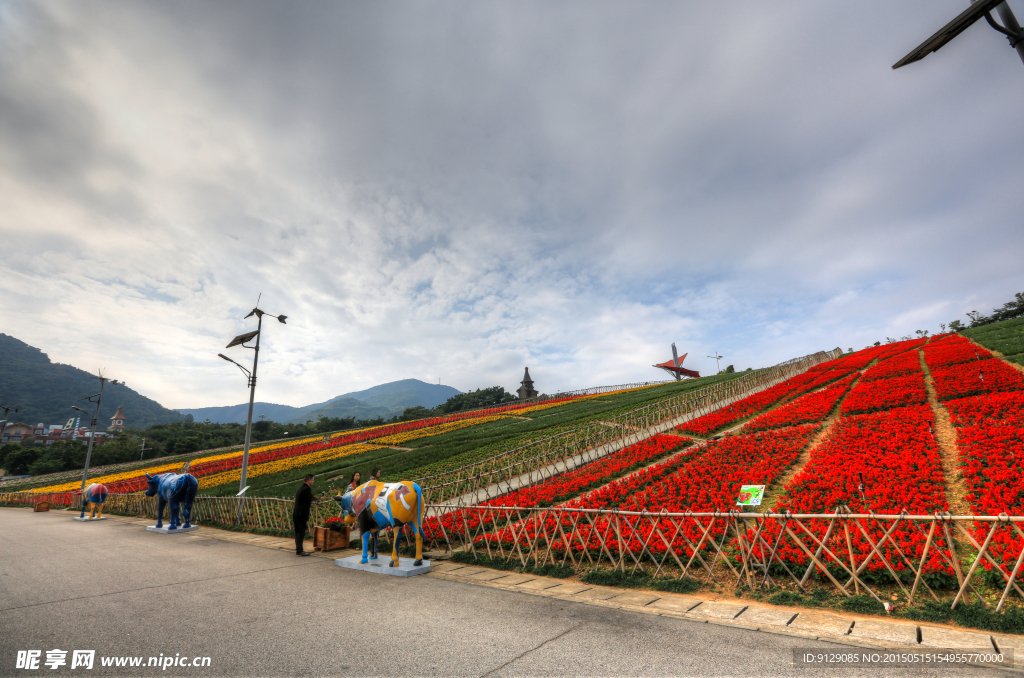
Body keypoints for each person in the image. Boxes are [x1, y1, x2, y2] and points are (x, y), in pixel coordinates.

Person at [293, 474, 315, 556]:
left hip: (296, 513)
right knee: (301, 532)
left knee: (297, 532)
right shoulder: (306, 489)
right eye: (312, 480)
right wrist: (318, 500)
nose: (313, 482)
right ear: (309, 480)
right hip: (301, 514)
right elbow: (311, 498)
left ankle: (298, 548)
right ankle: (300, 550)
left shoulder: (301, 488)